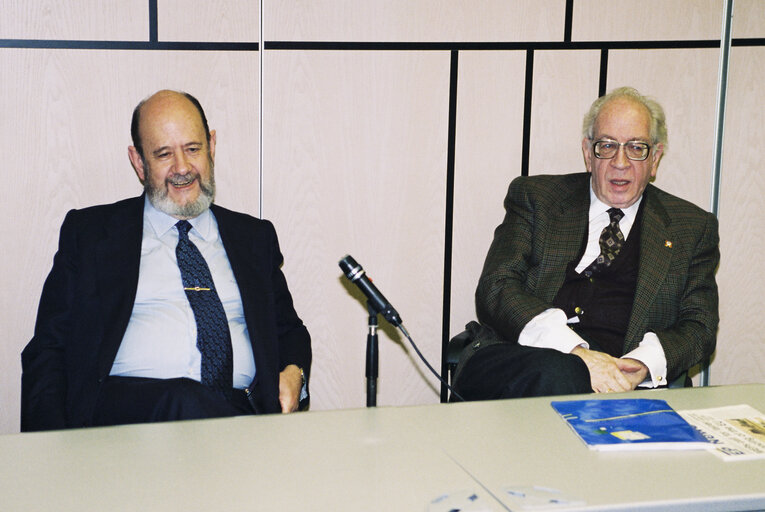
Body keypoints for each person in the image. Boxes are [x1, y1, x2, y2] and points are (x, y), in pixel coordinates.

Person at [21, 90, 311, 431]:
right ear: (139, 162)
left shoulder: (253, 238)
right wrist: (50, 449)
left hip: (235, 412)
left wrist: (295, 373)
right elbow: (48, 348)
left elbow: (289, 331)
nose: (183, 168)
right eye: (163, 155)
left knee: (204, 410)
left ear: (211, 146)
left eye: (192, 149)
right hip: (125, 421)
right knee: (184, 397)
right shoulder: (91, 235)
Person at [453, 86, 719, 400]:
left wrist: (641, 364)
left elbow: (698, 325)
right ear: (587, 153)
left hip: (620, 381)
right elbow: (496, 287)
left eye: (636, 148)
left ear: (656, 158)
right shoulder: (537, 199)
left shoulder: (691, 227)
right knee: (564, 372)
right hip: (521, 360)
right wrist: (577, 352)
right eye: (607, 146)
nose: (621, 162)